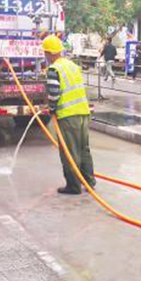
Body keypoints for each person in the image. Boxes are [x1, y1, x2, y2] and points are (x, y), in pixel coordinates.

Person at [43, 35, 96, 195]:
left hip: (68, 115)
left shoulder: (54, 69)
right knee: (83, 149)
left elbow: (54, 94)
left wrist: (51, 109)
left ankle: (73, 186)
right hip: (83, 112)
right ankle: (89, 181)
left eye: (45, 53)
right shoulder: (72, 66)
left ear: (49, 53)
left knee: (69, 151)